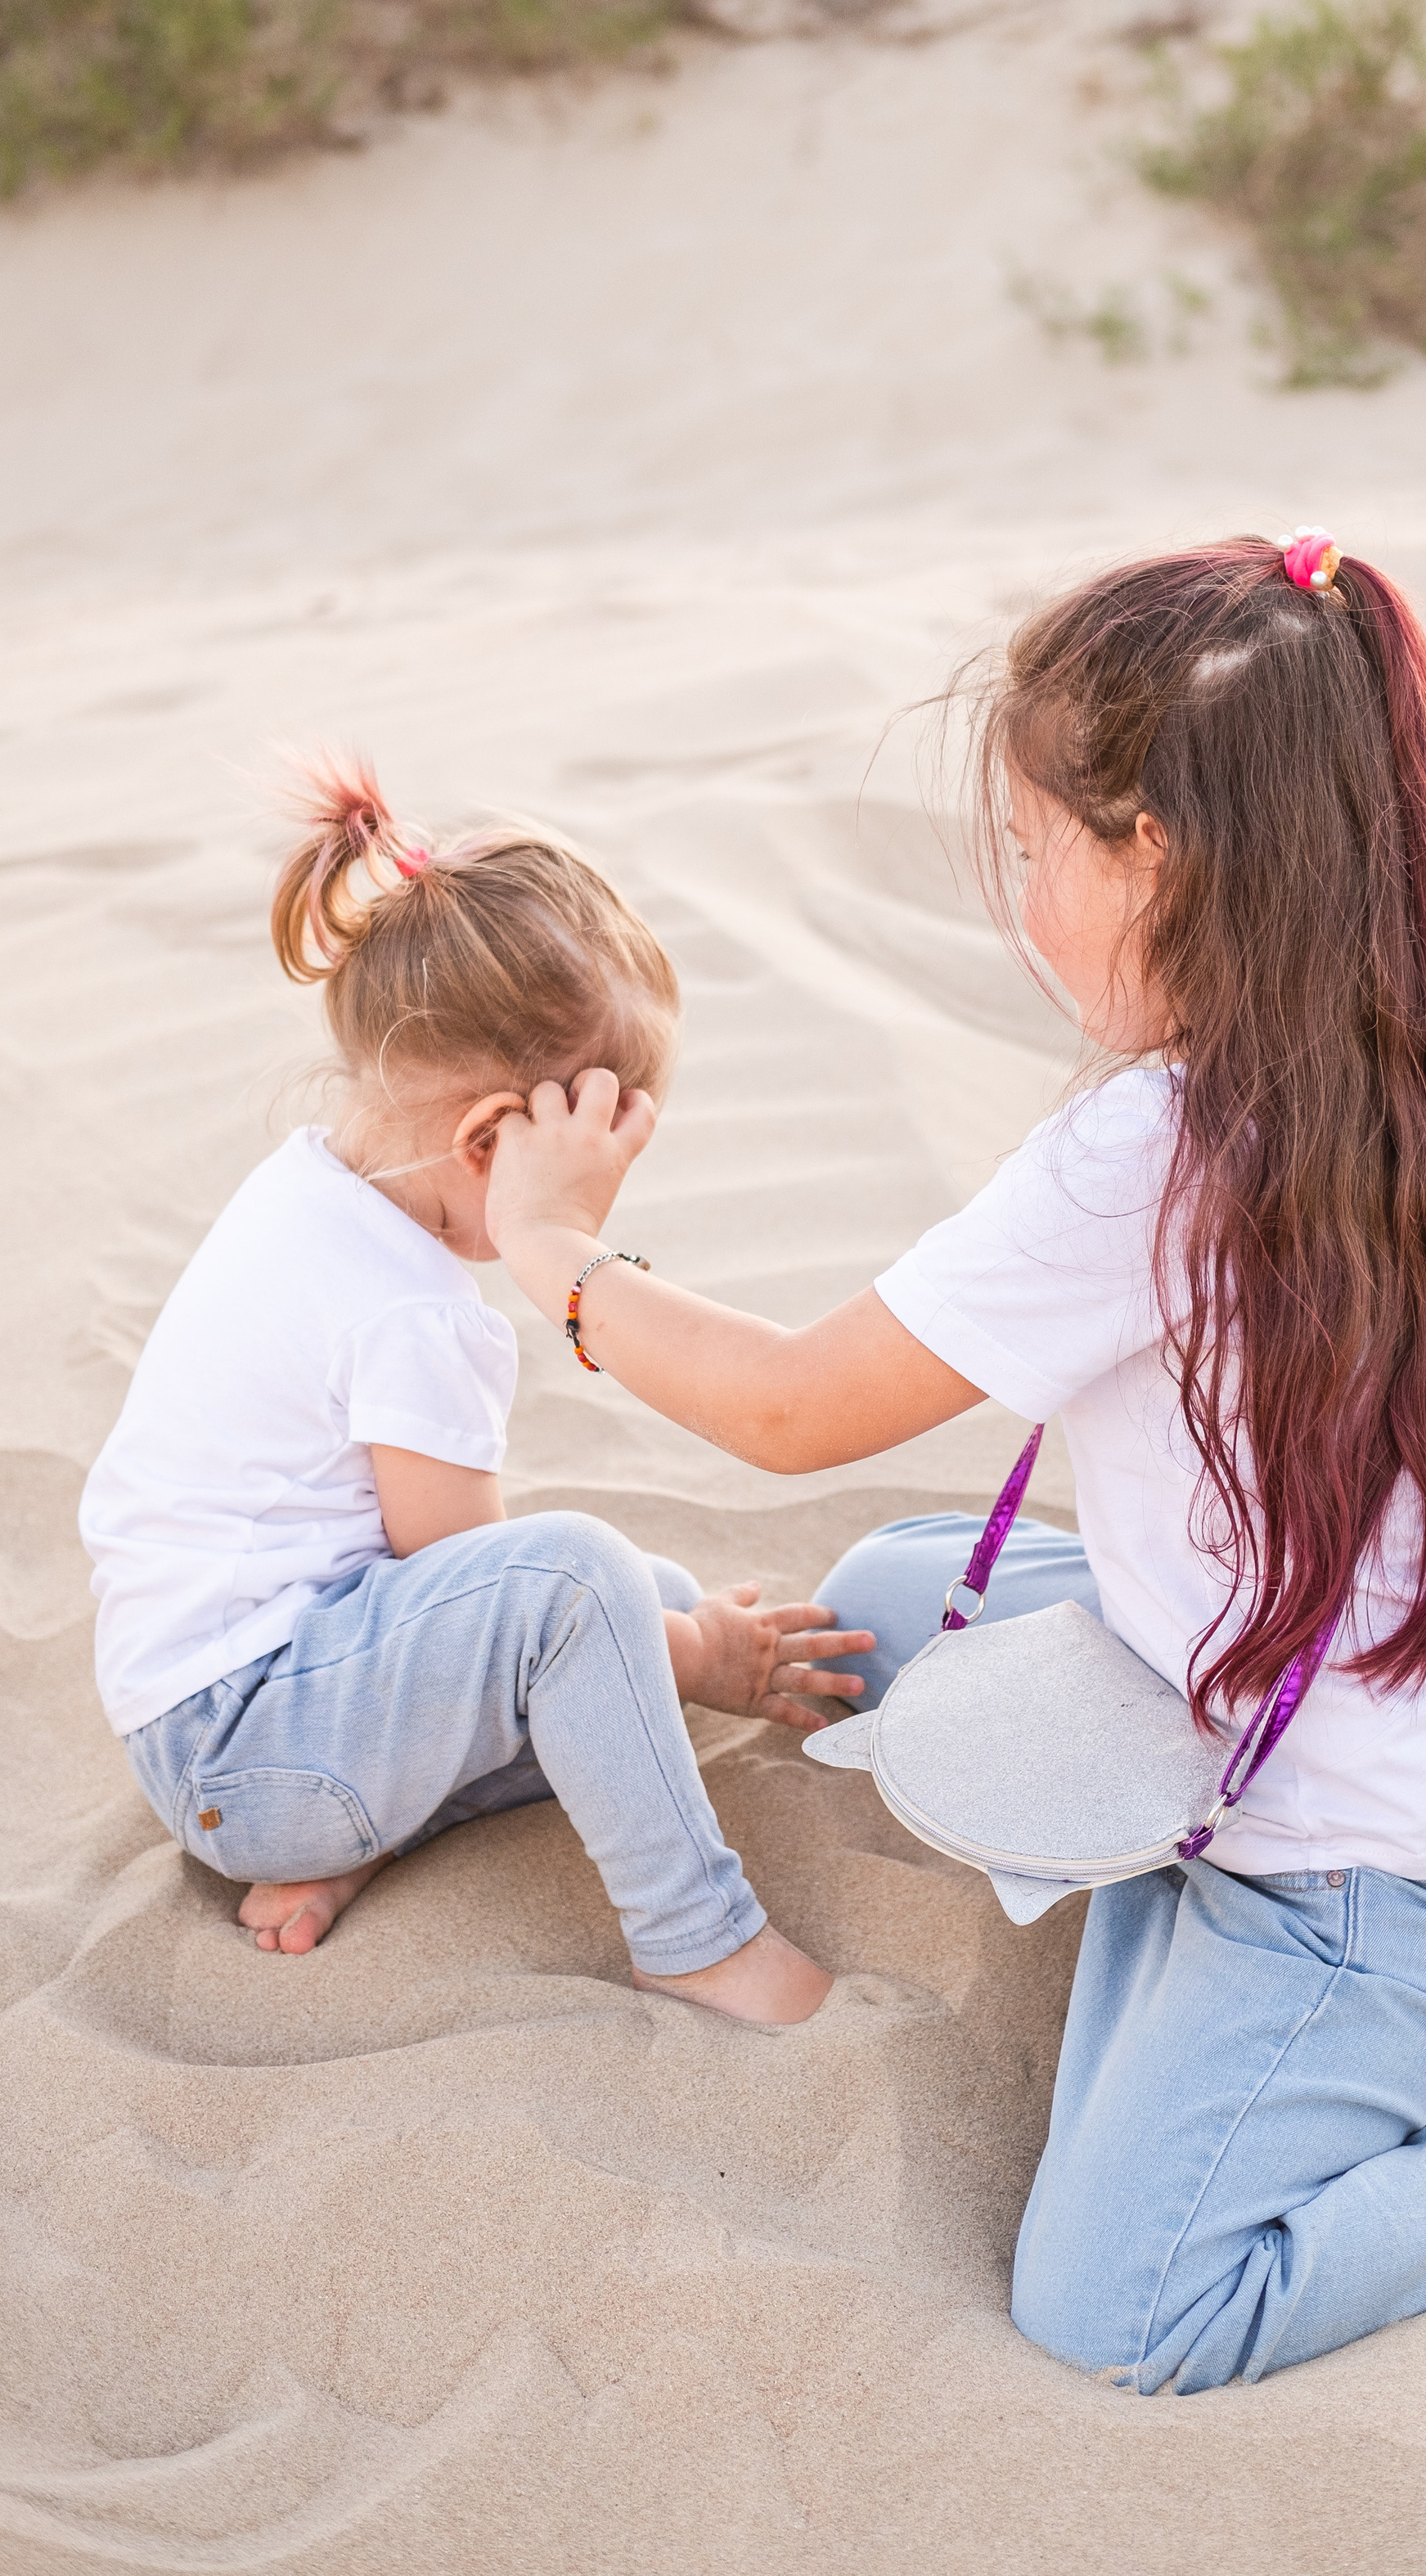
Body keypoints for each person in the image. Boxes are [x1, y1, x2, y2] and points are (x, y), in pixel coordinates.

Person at [482, 532, 1426, 2382]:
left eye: (1034, 848)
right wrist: (1356, 1416)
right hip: (1367, 1715)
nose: (1022, 898)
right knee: (888, 1600)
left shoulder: (1140, 1154)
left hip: (1374, 1881)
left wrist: (557, 1256)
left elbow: (791, 1409)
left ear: (1158, 854)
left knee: (1121, 2312)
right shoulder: (1413, 1072)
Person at [79, 761, 870, 2024]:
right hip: (253, 1750)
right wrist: (699, 1660)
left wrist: (669, 1634)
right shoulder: (417, 1312)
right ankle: (697, 1937)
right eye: (597, 1164)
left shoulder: (305, 1193)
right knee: (590, 1592)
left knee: (645, 1595)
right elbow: (467, 1572)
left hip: (207, 1731)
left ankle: (362, 1836)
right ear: (494, 1141)